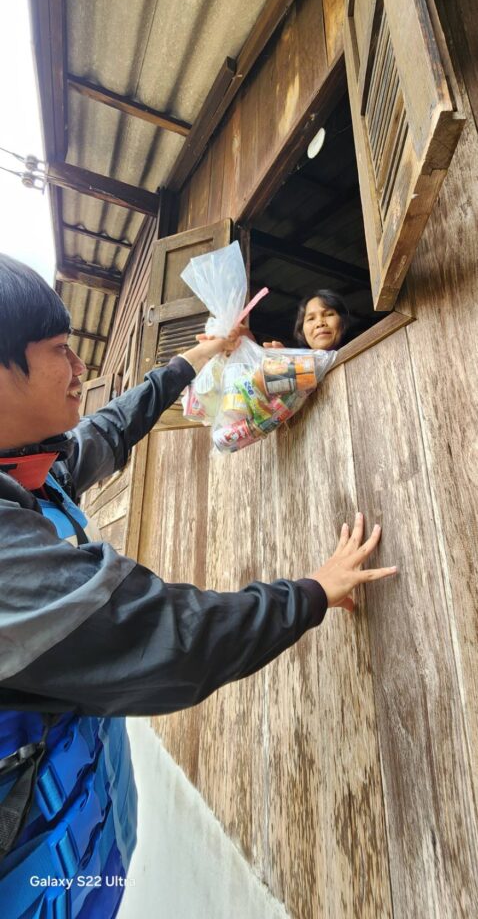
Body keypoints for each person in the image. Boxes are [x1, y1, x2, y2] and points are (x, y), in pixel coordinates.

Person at [0, 254, 397, 918]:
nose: (81, 368)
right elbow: (167, 639)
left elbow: (113, 425)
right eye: (60, 350)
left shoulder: (32, 468)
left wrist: (207, 351)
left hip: (81, 854)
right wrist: (313, 592)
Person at [264, 289, 350, 352]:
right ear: (302, 332)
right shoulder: (296, 365)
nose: (320, 323)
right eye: (311, 318)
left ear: (343, 323)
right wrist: (288, 366)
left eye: (329, 314)